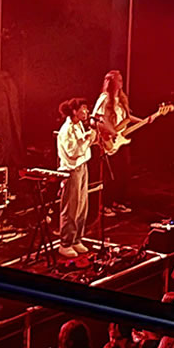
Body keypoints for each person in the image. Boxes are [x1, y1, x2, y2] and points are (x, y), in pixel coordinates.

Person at [56, 97, 97, 259]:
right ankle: (65, 242)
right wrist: (88, 140)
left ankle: (76, 238)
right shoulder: (66, 130)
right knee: (71, 207)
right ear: (74, 111)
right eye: (84, 109)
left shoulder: (79, 125)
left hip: (82, 167)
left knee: (82, 205)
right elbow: (74, 152)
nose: (86, 112)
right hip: (71, 170)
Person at [93, 69, 134, 213]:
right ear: (111, 82)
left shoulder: (121, 100)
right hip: (109, 141)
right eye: (118, 79)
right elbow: (96, 119)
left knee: (124, 172)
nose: (121, 82)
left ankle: (118, 201)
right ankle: (106, 204)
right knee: (111, 175)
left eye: (121, 79)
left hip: (121, 140)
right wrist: (111, 132)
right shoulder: (104, 99)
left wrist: (147, 120)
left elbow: (127, 118)